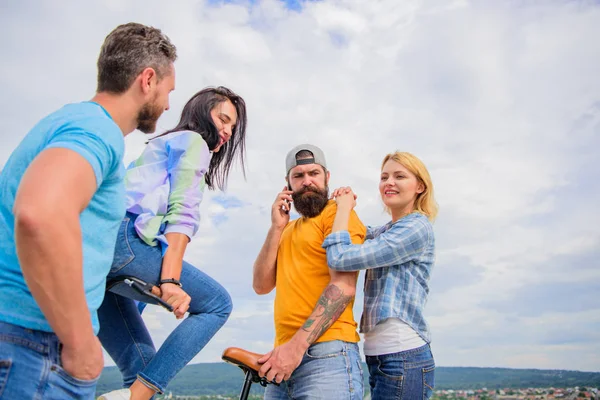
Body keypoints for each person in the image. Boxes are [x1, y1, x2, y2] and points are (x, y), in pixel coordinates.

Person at [0, 23, 177, 399]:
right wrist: (80, 340)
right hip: (37, 345)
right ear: (147, 79)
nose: (167, 105)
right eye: (168, 91)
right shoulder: (98, 131)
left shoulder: (66, 119)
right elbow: (39, 213)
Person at [97, 86, 247, 400]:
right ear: (202, 111)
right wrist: (169, 280)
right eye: (223, 119)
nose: (227, 131)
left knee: (142, 371)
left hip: (100, 255)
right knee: (217, 305)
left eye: (232, 127)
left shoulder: (161, 144)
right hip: (124, 241)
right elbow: (183, 211)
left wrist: (144, 292)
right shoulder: (193, 142)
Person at [253, 144, 366, 400]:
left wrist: (295, 348)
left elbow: (343, 287)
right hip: (281, 358)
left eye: (314, 173)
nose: (307, 181)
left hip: (328, 357)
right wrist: (275, 228)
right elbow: (261, 285)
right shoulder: (286, 229)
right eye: (298, 176)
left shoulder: (338, 215)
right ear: (288, 184)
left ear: (327, 177)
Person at [323, 151, 438, 400]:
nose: (389, 182)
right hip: (383, 357)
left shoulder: (416, 228)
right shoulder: (387, 231)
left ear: (420, 186)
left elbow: (340, 257)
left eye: (399, 176)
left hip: (403, 356)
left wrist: (343, 208)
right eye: (384, 176)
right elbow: (358, 232)